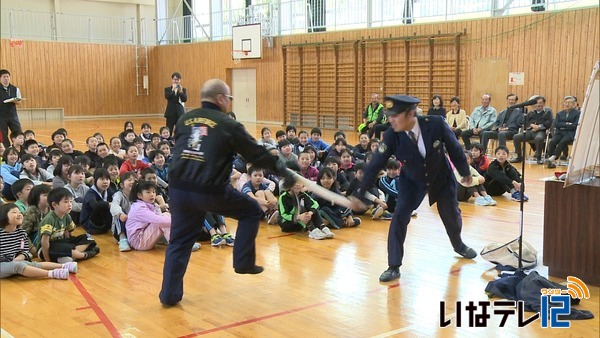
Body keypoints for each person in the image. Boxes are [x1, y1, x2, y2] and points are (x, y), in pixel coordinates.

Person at [160, 78, 292, 306]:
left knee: (179, 242)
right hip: (208, 189)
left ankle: (169, 296)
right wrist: (280, 167)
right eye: (228, 98)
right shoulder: (227, 123)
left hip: (179, 189)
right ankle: (243, 262)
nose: (229, 102)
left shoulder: (184, 119)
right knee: (251, 210)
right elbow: (254, 153)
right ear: (221, 98)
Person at [356, 95, 477, 283]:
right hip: (412, 181)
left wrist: (464, 171)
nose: (391, 120)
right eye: (389, 115)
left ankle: (458, 244)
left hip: (441, 178)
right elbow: (376, 164)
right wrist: (361, 192)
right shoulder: (391, 134)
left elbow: (454, 147)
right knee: (399, 218)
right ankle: (393, 265)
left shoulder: (435, 123)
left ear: (410, 114)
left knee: (451, 216)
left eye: (395, 116)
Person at [1, 203, 78, 280]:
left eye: (20, 212)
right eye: (14, 212)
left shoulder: (22, 233)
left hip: (13, 262)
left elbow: (24, 251)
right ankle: (52, 274)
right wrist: (14, 262)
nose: (19, 214)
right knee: (18, 266)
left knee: (32, 264)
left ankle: (64, 266)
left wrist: (16, 260)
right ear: (3, 215)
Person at [34, 187, 99, 262]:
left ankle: (71, 256)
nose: (70, 205)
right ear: (54, 205)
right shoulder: (49, 219)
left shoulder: (67, 216)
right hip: (47, 249)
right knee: (66, 248)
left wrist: (70, 244)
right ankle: (82, 255)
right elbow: (44, 241)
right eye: (66, 202)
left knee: (88, 237)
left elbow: (69, 233)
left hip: (62, 244)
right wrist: (47, 260)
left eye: (71, 202)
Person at [510, 96, 553, 164]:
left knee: (539, 138)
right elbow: (525, 122)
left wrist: (539, 127)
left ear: (544, 104)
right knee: (516, 137)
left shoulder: (548, 113)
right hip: (530, 131)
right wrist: (532, 125)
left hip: (541, 131)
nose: (538, 104)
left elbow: (549, 122)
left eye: (540, 103)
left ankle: (538, 158)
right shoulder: (531, 113)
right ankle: (519, 157)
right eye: (537, 103)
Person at [546, 96, 580, 168]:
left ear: (573, 104)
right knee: (552, 141)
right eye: (566, 103)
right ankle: (551, 160)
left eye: (569, 103)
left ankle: (554, 156)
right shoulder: (559, 113)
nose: (567, 104)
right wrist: (567, 124)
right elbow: (556, 124)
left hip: (570, 133)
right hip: (560, 132)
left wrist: (563, 125)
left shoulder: (577, 113)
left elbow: (575, 125)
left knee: (563, 141)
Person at [0, 70, 23, 148]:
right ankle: (6, 149)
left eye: (7, 77)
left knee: (18, 132)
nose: (6, 78)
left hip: (12, 115)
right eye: (4, 77)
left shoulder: (15, 89)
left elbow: (19, 102)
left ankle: (22, 148)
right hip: (1, 116)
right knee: (3, 134)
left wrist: (14, 101)